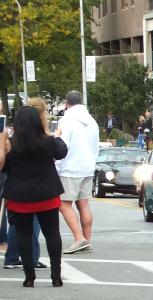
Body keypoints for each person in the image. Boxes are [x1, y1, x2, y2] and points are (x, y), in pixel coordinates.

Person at [0, 106, 67, 287]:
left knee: (23, 235)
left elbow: (3, 167)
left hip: (19, 196)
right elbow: (62, 152)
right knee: (52, 234)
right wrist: (53, 134)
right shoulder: (47, 141)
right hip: (47, 194)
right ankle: (56, 275)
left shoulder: (11, 144)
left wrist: (3, 142)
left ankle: (29, 276)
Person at [57, 90, 100, 254]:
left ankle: (78, 238)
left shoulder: (66, 120)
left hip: (70, 167)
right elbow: (96, 146)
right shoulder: (92, 121)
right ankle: (86, 239)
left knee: (63, 204)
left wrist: (57, 166)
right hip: (87, 166)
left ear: (67, 104)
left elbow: (61, 146)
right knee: (83, 204)